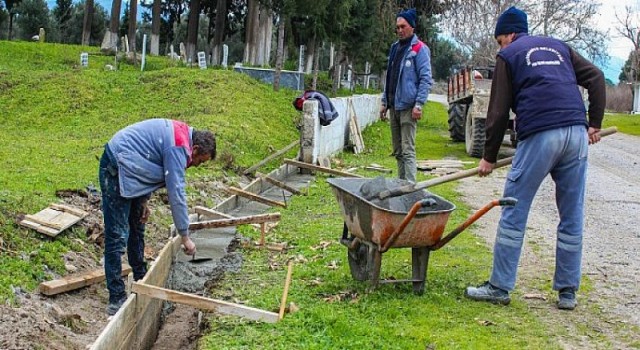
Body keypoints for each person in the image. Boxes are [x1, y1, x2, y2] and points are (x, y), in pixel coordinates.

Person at [464, 6, 605, 310]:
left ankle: (499, 286)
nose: (501, 46)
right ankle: (568, 292)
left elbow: (498, 110)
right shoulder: (560, 47)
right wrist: (594, 123)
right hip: (576, 136)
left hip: (541, 135)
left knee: (514, 208)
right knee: (571, 215)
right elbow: (596, 77)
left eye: (500, 40)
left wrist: (488, 157)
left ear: (510, 34)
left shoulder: (510, 54)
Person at [99, 118, 216, 315]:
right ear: (195, 149)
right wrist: (185, 236)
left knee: (137, 225)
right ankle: (116, 297)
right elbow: (176, 191)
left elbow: (150, 162)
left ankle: (141, 279)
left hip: (132, 166)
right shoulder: (178, 147)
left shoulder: (182, 140)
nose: (196, 165)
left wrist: (143, 200)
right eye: (199, 161)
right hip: (117, 165)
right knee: (117, 235)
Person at [380, 8, 433, 184]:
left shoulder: (419, 49)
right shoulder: (395, 48)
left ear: (412, 27)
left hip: (409, 108)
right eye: (397, 27)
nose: (400, 30)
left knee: (407, 150)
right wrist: (384, 102)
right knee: (398, 151)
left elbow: (426, 79)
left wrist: (419, 104)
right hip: (394, 106)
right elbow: (389, 77)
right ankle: (400, 185)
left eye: (403, 26)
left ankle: (410, 189)